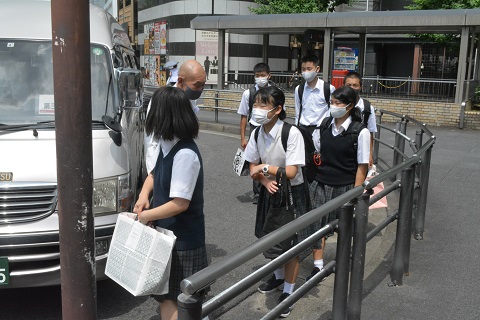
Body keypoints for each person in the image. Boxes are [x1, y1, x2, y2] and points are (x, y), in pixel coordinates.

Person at [134, 86, 208, 320]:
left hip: (183, 240)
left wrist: (147, 216)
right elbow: (154, 175)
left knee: (175, 299)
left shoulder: (185, 154)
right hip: (169, 235)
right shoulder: (167, 144)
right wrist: (143, 196)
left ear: (163, 115)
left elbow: (180, 203)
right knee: (168, 297)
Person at [244, 86, 307, 318]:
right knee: (271, 239)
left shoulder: (292, 133)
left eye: (263, 105)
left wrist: (263, 168)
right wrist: (263, 180)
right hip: (270, 190)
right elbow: (251, 165)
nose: (257, 110)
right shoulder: (257, 133)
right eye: (256, 105)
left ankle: (289, 292)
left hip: (292, 193)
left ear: (277, 109)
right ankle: (279, 278)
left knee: (290, 245)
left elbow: (290, 172)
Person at [305, 86, 370, 281]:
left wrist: (355, 194)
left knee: (343, 227)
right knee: (317, 226)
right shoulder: (324, 126)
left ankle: (343, 262)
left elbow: (362, 166)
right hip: (320, 183)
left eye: (338, 103)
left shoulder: (360, 132)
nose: (333, 107)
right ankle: (318, 266)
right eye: (331, 103)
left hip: (345, 187)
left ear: (349, 106)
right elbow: (317, 153)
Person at [142, 60, 206, 204]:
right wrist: (154, 177)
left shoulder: (186, 153)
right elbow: (153, 141)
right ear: (181, 81)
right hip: (163, 161)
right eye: (197, 85)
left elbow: (180, 205)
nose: (201, 89)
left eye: (203, 84)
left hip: (180, 159)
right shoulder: (163, 100)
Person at [237, 62, 271, 204]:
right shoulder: (248, 93)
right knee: (254, 160)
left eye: (263, 75)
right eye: (257, 76)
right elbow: (244, 116)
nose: (260, 78)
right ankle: (257, 193)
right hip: (255, 129)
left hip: (270, 129)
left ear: (269, 76)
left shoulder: (273, 93)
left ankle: (269, 187)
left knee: (269, 160)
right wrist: (243, 138)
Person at [294, 54, 336, 136]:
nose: (306, 72)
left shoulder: (328, 89)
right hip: (303, 129)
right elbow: (297, 112)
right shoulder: (299, 89)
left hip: (321, 130)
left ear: (317, 69)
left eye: (309, 69)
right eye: (303, 69)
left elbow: (332, 110)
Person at [344, 71, 377, 167]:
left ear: (360, 87)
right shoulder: (339, 105)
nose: (352, 88)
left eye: (355, 85)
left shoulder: (367, 107)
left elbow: (371, 133)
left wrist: (370, 154)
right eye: (348, 85)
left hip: (360, 149)